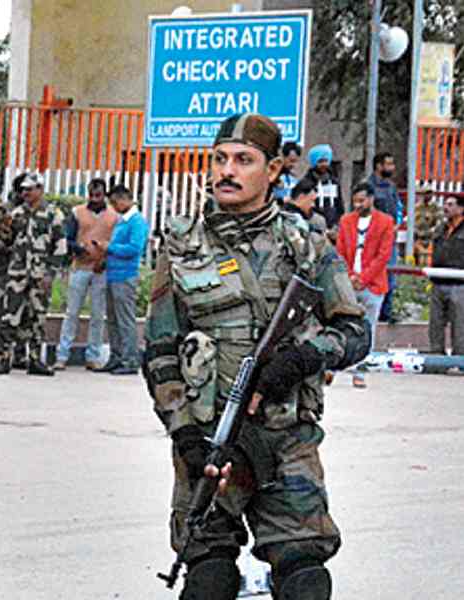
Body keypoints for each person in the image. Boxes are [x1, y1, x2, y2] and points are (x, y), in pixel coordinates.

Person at [142, 113, 370, 600]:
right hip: (210, 442)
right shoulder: (183, 245)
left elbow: (354, 331)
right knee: (208, 577)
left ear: (272, 171)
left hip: (286, 437)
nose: (227, 170)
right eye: (220, 159)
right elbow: (159, 350)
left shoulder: (305, 244)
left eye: (243, 160)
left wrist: (303, 358)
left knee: (304, 576)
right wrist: (183, 434)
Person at [0, 172, 67, 375]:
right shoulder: (16, 214)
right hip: (17, 274)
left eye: (29, 189)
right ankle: (3, 359)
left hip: (40, 275)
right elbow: (5, 241)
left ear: (39, 190)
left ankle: (35, 359)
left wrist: (51, 273)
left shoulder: (53, 215)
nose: (25, 192)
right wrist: (3, 233)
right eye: (23, 189)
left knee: (37, 318)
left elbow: (60, 247)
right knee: (10, 316)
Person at [53, 178, 118, 370]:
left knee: (98, 315)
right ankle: (62, 355)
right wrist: (81, 250)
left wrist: (104, 259)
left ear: (104, 194)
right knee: (71, 312)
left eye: (98, 195)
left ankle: (93, 356)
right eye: (91, 194)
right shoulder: (77, 213)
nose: (94, 198)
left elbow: (116, 242)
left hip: (101, 270)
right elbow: (68, 239)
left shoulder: (114, 216)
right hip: (80, 268)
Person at [335, 181, 395, 388]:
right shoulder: (346, 221)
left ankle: (360, 372)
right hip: (348, 283)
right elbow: (340, 252)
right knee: (340, 326)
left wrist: (364, 278)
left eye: (362, 201)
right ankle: (333, 368)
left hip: (373, 285)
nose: (358, 205)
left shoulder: (386, 222)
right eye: (355, 201)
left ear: (371, 199)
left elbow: (383, 255)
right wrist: (350, 276)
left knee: (368, 330)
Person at [92, 184, 148, 375]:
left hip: (125, 276)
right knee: (113, 320)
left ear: (124, 199)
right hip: (113, 274)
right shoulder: (122, 221)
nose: (113, 207)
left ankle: (130, 360)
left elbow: (134, 249)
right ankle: (116, 356)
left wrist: (109, 248)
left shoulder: (136, 221)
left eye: (115, 202)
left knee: (125, 320)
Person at [0, 173, 29, 371]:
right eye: (24, 190)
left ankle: (20, 353)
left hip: (26, 271)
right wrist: (4, 247)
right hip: (5, 269)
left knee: (24, 312)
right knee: (1, 311)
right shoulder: (3, 210)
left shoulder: (32, 210)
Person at [368, 152, 402, 323]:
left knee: (391, 276)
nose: (392, 168)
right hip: (375, 239)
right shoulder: (368, 186)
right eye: (388, 164)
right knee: (375, 273)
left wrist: (396, 224)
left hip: (390, 239)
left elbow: (398, 208)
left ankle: (387, 312)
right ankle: (377, 311)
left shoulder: (391, 187)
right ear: (378, 166)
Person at [428, 194, 464, 355]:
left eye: (450, 204)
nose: (445, 208)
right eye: (445, 204)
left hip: (459, 284)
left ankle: (460, 359)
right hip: (438, 282)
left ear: (461, 208)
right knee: (435, 323)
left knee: (460, 324)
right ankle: (436, 360)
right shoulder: (440, 229)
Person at [299, 144, 344, 239]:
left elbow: (339, 204)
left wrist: (338, 224)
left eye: (326, 161)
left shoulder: (334, 181)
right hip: (314, 229)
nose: (323, 164)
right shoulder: (307, 182)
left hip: (333, 228)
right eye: (320, 161)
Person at [414, 186, 443, 266]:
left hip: (430, 236)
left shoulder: (436, 207)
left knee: (428, 258)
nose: (428, 195)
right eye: (426, 193)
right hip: (417, 236)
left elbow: (439, 223)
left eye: (430, 193)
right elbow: (411, 221)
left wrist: (430, 232)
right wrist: (416, 231)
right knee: (415, 258)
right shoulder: (416, 207)